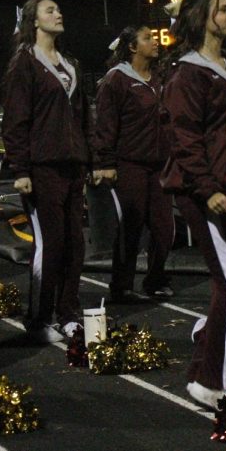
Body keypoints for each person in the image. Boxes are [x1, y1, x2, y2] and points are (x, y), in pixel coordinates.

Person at [160, 0, 226, 411]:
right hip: (201, 190)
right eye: (223, 10)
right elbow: (186, 138)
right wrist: (210, 188)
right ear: (203, 18)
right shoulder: (189, 72)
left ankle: (205, 349)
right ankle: (208, 381)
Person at [2, 0, 96, 343]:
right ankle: (40, 317)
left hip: (73, 167)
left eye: (59, 8)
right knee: (50, 243)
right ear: (34, 21)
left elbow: (84, 115)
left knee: (75, 244)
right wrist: (20, 169)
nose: (59, 13)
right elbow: (16, 120)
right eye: (50, 10)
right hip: (41, 169)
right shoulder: (24, 63)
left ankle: (67, 312)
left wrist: (90, 159)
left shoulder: (70, 62)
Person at [94, 24, 174, 303]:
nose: (156, 42)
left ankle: (155, 280)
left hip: (159, 164)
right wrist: (105, 162)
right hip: (130, 164)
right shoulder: (116, 79)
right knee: (132, 226)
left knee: (165, 228)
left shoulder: (160, 77)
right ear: (132, 47)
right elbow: (105, 123)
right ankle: (121, 285)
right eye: (148, 38)